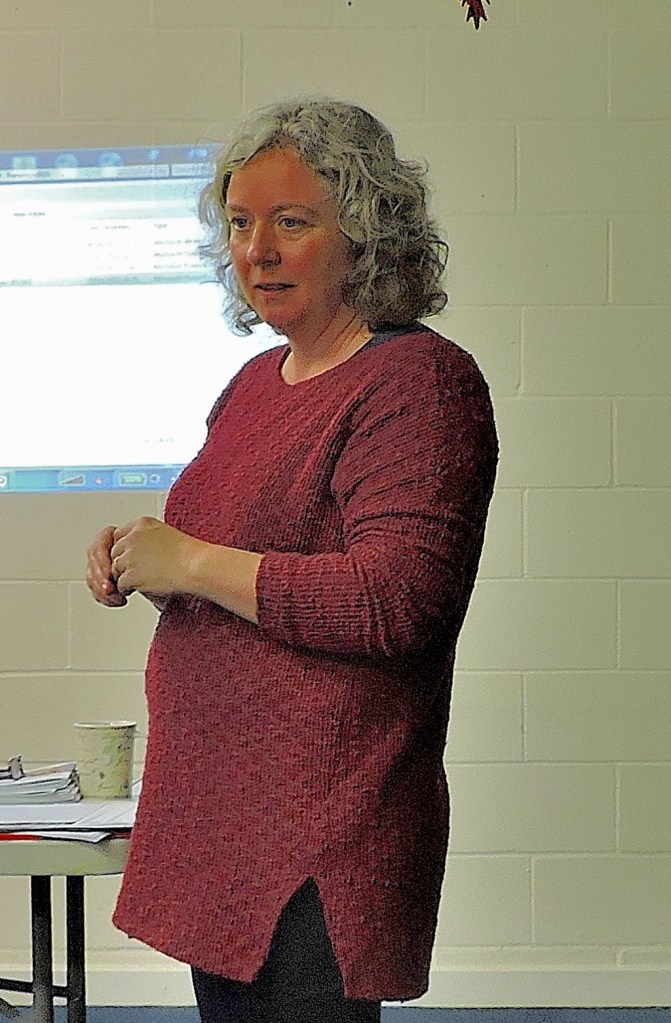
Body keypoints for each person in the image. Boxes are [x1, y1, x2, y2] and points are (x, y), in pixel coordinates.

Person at [86, 98, 498, 1023]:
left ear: (366, 235)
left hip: (321, 833)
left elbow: (393, 599)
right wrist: (147, 564)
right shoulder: (251, 385)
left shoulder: (418, 381)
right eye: (240, 223)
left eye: (292, 222)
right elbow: (245, 568)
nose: (257, 250)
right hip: (222, 828)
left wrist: (192, 562)